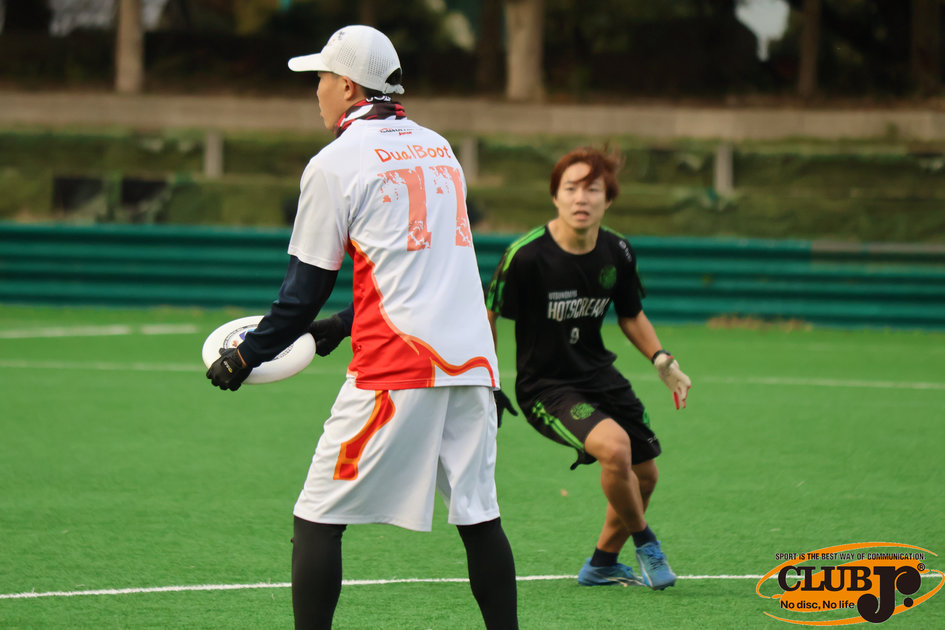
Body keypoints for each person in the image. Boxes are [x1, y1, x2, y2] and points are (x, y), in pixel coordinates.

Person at [206, 25, 518, 630]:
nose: (316, 90)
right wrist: (342, 326)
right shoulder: (438, 147)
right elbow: (428, 270)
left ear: (348, 86)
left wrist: (247, 355)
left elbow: (301, 294)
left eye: (322, 78)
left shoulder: (335, 163)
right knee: (480, 520)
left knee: (317, 518)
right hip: (474, 366)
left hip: (396, 370)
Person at [484, 146, 691, 590]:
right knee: (615, 449)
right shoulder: (525, 256)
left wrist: (662, 360)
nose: (581, 198)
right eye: (571, 188)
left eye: (592, 189)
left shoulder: (618, 250)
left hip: (600, 376)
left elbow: (631, 315)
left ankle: (602, 563)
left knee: (646, 474)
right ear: (555, 196)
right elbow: (488, 314)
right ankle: (647, 543)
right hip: (545, 387)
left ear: (608, 199)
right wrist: (485, 380)